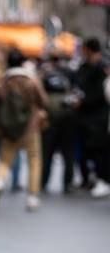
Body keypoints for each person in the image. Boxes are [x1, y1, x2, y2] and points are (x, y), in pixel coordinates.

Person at [0, 48, 48, 212]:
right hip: (31, 127)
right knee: (34, 160)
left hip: (9, 128)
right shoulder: (32, 80)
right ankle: (32, 198)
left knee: (5, 159)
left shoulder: (3, 81)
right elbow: (44, 100)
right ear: (22, 62)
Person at [75, 37, 110, 198]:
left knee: (99, 150)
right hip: (85, 117)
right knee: (86, 149)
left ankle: (102, 179)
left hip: (98, 118)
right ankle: (89, 178)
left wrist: (83, 101)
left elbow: (102, 94)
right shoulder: (84, 67)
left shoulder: (101, 68)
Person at [40, 52, 77, 193]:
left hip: (50, 117)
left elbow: (41, 96)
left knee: (47, 150)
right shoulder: (70, 73)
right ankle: (67, 183)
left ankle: (43, 181)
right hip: (68, 116)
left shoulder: (46, 74)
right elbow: (76, 92)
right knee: (68, 152)